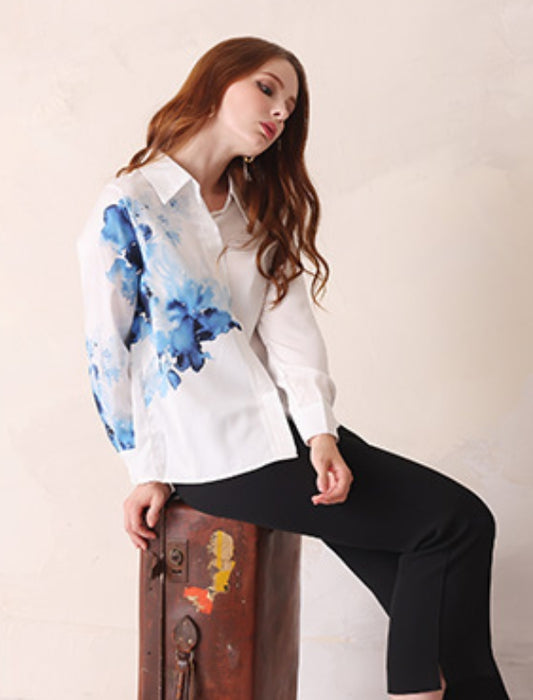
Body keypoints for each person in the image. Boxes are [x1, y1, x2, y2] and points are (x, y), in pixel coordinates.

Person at [76, 36, 510, 700]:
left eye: (290, 104)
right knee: (454, 523)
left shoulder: (255, 211)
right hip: (214, 455)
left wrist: (321, 434)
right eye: (267, 88)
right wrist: (144, 469)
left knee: (429, 579)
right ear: (215, 82)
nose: (280, 111)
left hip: (280, 436)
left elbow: (290, 336)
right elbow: (107, 350)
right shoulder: (130, 204)